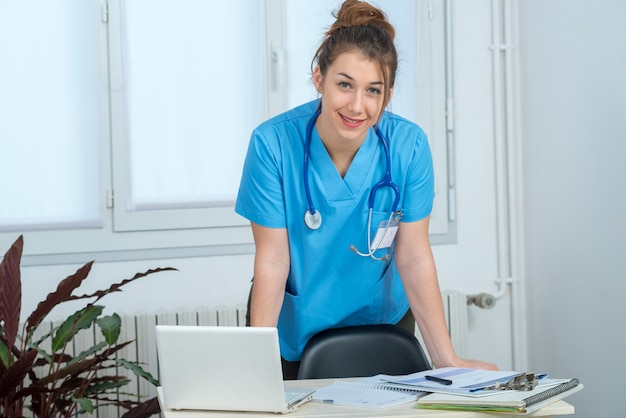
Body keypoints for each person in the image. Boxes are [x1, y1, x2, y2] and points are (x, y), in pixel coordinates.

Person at [235, 0, 497, 379]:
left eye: (373, 90)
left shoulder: (409, 146)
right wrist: (257, 362)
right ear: (319, 79)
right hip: (296, 323)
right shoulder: (272, 144)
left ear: (387, 95)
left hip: (381, 322)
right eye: (344, 84)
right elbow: (273, 261)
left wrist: (446, 358)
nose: (357, 106)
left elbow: (413, 255)